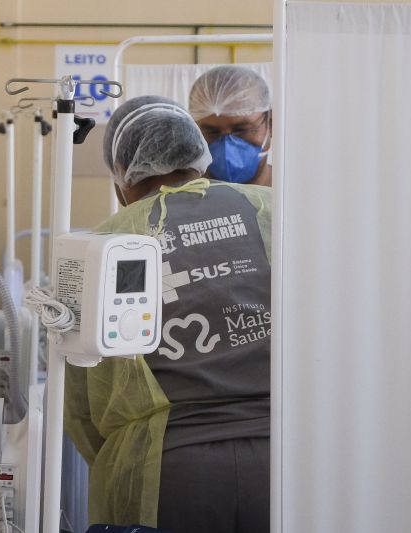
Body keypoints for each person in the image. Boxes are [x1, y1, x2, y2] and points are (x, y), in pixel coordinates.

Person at [65, 96, 271, 533]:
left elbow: (83, 400)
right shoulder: (271, 211)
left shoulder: (105, 243)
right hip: (282, 461)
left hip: (166, 471)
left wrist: (121, 460)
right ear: (200, 156)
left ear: (121, 177)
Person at [189, 65, 272, 186]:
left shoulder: (296, 196)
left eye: (241, 130)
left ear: (271, 124)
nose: (227, 149)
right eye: (212, 132)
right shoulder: (176, 199)